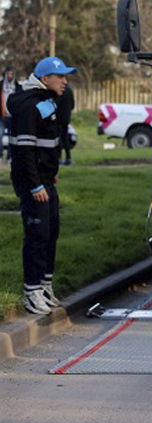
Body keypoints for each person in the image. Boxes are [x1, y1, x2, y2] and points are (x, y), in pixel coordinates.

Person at [8, 56, 77, 315]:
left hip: (46, 179)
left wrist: (51, 173)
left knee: (51, 232)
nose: (65, 82)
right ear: (45, 79)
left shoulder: (47, 101)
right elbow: (24, 150)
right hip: (32, 183)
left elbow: (47, 143)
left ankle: (45, 285)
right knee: (37, 235)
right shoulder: (29, 105)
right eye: (60, 77)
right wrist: (36, 184)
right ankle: (31, 290)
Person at [1, 65, 23, 163]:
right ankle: (0, 156)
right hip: (1, 116)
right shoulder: (0, 86)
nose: (10, 76)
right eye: (8, 74)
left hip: (13, 117)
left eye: (11, 74)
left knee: (12, 138)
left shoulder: (18, 88)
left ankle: (10, 156)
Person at [57, 84, 75, 165]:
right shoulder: (69, 90)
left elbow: (56, 103)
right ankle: (68, 157)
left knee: (59, 138)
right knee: (65, 137)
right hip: (66, 117)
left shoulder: (58, 90)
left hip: (59, 117)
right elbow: (72, 104)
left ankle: (59, 158)